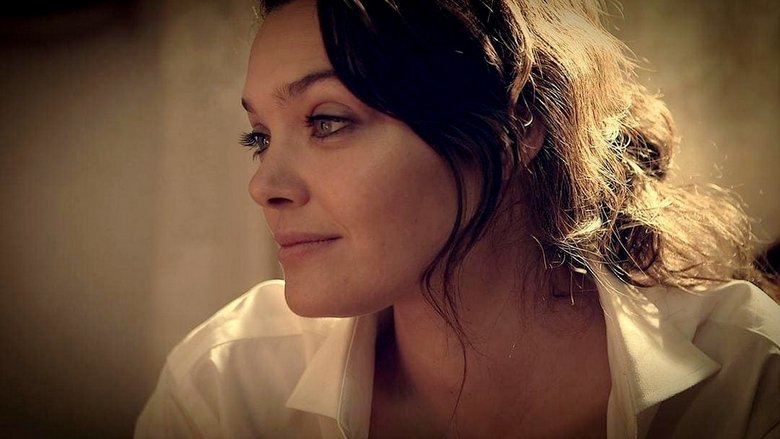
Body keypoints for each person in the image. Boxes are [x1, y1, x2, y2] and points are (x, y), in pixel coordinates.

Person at [135, 0, 780, 437]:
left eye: (326, 121)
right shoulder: (228, 386)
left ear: (516, 126)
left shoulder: (753, 379)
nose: (263, 186)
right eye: (260, 137)